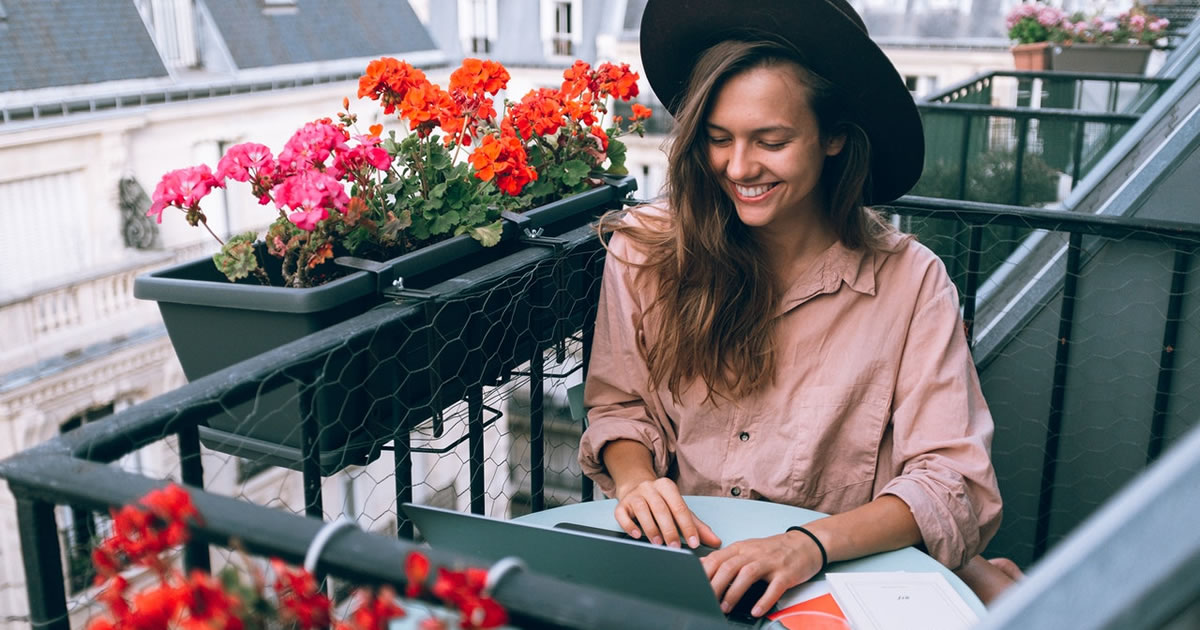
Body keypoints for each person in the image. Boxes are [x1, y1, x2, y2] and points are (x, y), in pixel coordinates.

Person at [577, 0, 1021, 619]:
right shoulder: (645, 251)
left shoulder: (911, 282)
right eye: (718, 139)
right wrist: (636, 481)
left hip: (840, 581)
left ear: (834, 136)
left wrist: (806, 546)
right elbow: (620, 404)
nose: (738, 167)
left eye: (772, 141)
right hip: (690, 572)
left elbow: (952, 483)